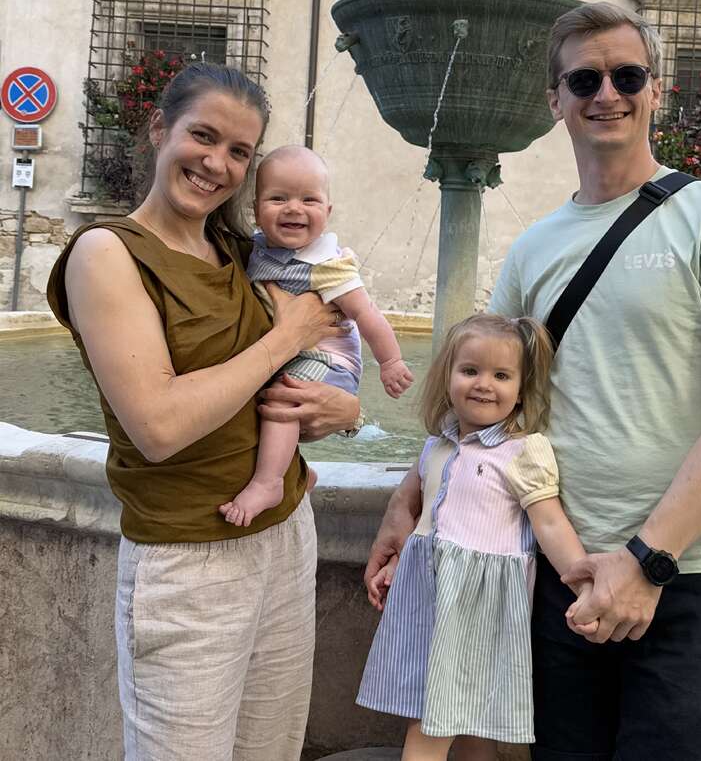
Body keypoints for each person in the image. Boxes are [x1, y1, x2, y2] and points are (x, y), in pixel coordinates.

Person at [365, 2, 701, 761]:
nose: (608, 92)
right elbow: (480, 404)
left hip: (683, 576)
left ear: (655, 90)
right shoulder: (534, 248)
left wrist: (646, 561)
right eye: (585, 78)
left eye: (627, 75)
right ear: (554, 100)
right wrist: (406, 499)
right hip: (559, 581)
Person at [47, 63, 360, 761]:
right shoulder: (107, 254)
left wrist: (342, 405)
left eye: (240, 151)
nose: (218, 163)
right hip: (189, 558)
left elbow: (329, 343)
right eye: (204, 136)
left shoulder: (243, 251)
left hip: (285, 534)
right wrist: (289, 334)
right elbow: (156, 426)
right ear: (159, 128)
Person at [358, 313, 598, 760]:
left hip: (478, 606)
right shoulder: (438, 446)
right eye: (470, 371)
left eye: (501, 375)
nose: (484, 384)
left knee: (434, 719)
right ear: (447, 377)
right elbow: (428, 521)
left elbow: (549, 524)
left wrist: (581, 583)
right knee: (467, 722)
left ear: (522, 389)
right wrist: (395, 563)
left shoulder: (522, 450)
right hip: (430, 597)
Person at [220, 144, 413, 526]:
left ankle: (269, 482)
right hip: (294, 351)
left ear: (327, 211)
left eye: (309, 199)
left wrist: (390, 362)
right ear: (255, 209)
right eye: (278, 198)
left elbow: (367, 314)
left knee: (283, 403)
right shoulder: (255, 250)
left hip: (328, 361)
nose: (294, 208)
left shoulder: (327, 266)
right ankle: (298, 473)